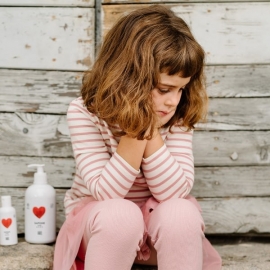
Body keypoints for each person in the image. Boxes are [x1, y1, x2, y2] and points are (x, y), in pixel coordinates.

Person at [53, 5, 222, 270]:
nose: (172, 101)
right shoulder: (84, 111)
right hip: (100, 231)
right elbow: (106, 192)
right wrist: (136, 127)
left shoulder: (178, 115)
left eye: (181, 89)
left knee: (181, 212)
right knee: (120, 215)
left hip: (158, 236)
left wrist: (149, 130)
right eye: (164, 89)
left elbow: (175, 192)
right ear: (128, 78)